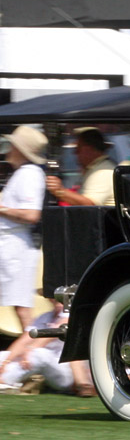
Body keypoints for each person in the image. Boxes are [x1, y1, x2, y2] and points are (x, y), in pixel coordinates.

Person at [0, 126, 48, 332]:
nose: (8, 148)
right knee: (19, 306)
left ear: (20, 149)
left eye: (12, 144)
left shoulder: (30, 175)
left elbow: (31, 214)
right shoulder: (23, 174)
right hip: (11, 246)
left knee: (22, 308)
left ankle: (30, 352)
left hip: (16, 249)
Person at [0, 300, 75, 395]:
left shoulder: (70, 315)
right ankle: (5, 378)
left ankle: (5, 380)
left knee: (38, 354)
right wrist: (6, 361)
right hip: (47, 367)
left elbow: (53, 334)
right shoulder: (45, 317)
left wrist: (29, 350)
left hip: (66, 373)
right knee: (3, 355)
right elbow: (24, 340)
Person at [45, 128, 115, 207]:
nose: (75, 153)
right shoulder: (93, 169)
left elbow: (90, 205)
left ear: (87, 149)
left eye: (77, 149)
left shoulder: (102, 172)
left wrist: (59, 191)